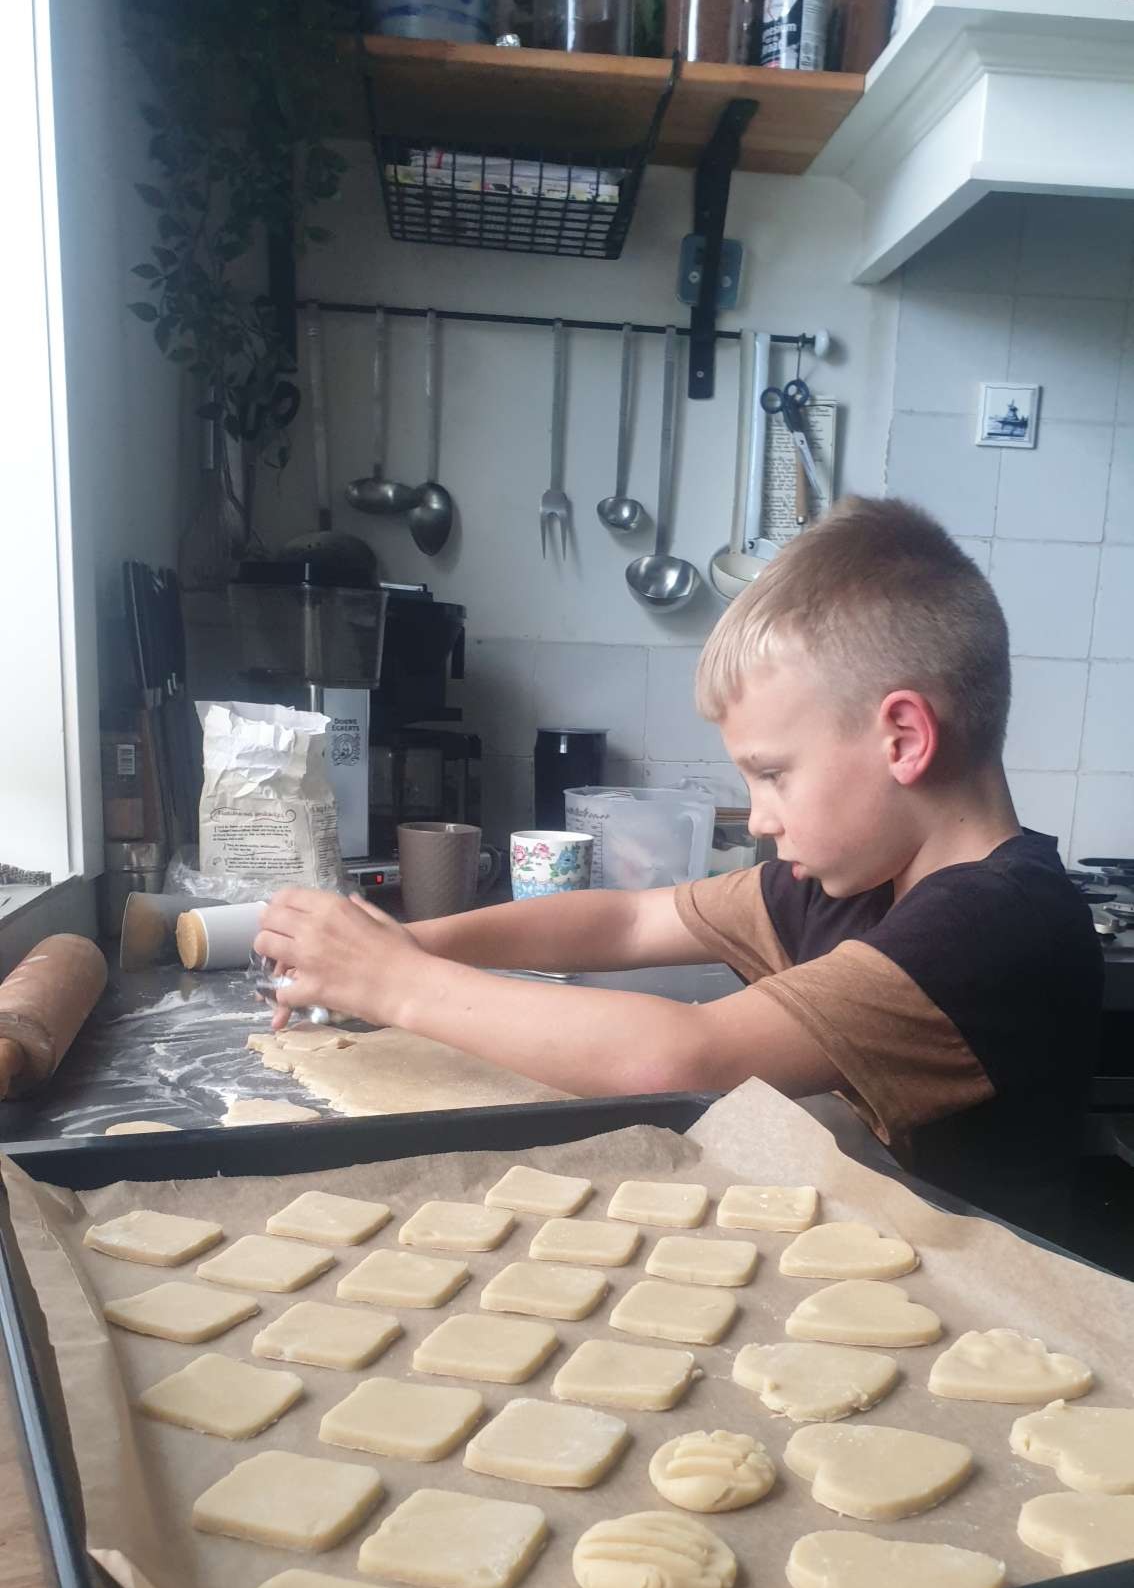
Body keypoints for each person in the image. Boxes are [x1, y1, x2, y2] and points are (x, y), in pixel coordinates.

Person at [256, 496, 1102, 1233]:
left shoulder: (995, 924)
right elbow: (627, 919)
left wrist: (395, 984)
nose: (761, 817)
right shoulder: (846, 885)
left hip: (995, 1335)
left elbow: (687, 1055)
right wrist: (411, 943)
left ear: (903, 739)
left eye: (772, 774)